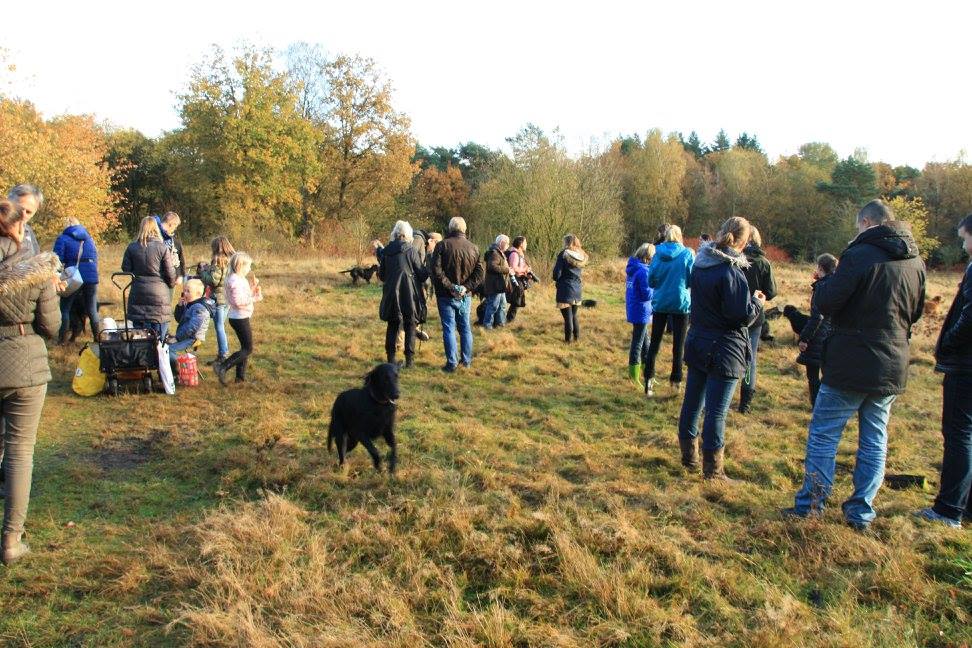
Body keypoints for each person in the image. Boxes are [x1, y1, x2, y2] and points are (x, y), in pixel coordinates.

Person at [786, 199, 925, 530]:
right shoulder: (916, 260)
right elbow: (916, 311)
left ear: (865, 222)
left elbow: (826, 301)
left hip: (850, 360)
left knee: (824, 434)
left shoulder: (859, 255)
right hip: (892, 361)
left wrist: (822, 284)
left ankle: (811, 505)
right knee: (875, 438)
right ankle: (861, 511)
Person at [677, 217, 764, 479]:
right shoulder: (731, 272)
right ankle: (713, 472)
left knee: (693, 403)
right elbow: (740, 316)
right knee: (716, 411)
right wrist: (757, 303)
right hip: (724, 348)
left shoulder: (701, 264)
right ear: (744, 242)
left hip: (698, 340)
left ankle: (689, 457)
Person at [0, 199, 60, 565]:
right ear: (18, 229)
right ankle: (11, 540)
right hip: (24, 364)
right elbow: (51, 326)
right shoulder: (37, 270)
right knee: (20, 452)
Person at [915, 214, 972, 528]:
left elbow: (970, 316)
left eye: (965, 238)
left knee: (958, 434)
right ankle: (966, 505)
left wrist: (949, 341)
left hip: (966, 366)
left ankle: (949, 509)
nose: (963, 246)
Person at [644, 224, 694, 394]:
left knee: (654, 343)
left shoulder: (657, 253)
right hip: (680, 302)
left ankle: (649, 381)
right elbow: (690, 279)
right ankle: (676, 382)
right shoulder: (687, 254)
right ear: (680, 236)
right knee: (678, 345)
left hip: (661, 301)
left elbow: (651, 280)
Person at [430, 217, 484, 373]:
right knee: (465, 328)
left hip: (445, 294)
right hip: (465, 295)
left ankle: (452, 363)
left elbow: (436, 270)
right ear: (464, 229)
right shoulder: (474, 248)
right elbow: (479, 273)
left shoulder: (442, 245)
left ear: (450, 228)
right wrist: (465, 288)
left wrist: (451, 286)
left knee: (449, 328)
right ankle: (466, 361)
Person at [377, 220, 428, 368]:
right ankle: (409, 361)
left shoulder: (386, 252)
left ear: (395, 234)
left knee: (392, 323)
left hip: (391, 293)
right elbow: (422, 274)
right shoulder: (411, 250)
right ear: (407, 235)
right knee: (410, 324)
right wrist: (429, 257)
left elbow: (382, 275)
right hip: (409, 293)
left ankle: (391, 359)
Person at [738, 226, 777, 413]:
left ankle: (722, 397)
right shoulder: (763, 263)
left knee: (729, 354)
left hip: (733, 313)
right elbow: (771, 291)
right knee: (750, 358)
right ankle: (745, 403)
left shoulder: (735, 260)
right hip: (755, 316)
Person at [121, 217, 177, 341]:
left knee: (139, 337)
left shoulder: (132, 247)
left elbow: (125, 269)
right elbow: (170, 273)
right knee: (159, 338)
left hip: (138, 293)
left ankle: (140, 353)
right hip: (159, 295)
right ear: (156, 228)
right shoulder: (162, 248)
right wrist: (171, 284)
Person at [796, 254, 838, 407]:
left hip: (818, 336)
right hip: (834, 335)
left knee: (813, 376)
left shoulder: (821, 287)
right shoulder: (839, 286)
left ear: (820, 268)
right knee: (829, 377)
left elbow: (816, 317)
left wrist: (804, 338)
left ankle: (817, 406)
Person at [215, 252, 262, 386]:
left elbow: (243, 295)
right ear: (241, 266)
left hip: (239, 316)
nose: (249, 269)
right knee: (248, 349)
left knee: (244, 348)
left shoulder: (239, 279)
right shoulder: (235, 281)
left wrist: (253, 288)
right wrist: (254, 298)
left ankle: (240, 379)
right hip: (239, 318)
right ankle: (222, 367)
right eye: (248, 266)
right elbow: (237, 301)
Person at [52, 217, 100, 343]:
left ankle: (62, 340)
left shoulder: (63, 238)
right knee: (92, 309)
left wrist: (56, 275)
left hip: (74, 277)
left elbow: (56, 259)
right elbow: (95, 257)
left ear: (66, 226)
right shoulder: (89, 238)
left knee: (65, 308)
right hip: (91, 276)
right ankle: (97, 338)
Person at [200, 236, 236, 364]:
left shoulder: (218, 260)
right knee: (221, 326)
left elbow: (213, 281)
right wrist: (209, 269)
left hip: (219, 298)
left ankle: (223, 354)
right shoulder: (233, 260)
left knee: (219, 326)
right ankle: (222, 353)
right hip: (227, 297)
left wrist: (202, 271)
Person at [625, 243, 655, 392]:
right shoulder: (643, 271)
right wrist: (657, 287)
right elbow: (646, 294)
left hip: (636, 309)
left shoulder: (633, 268)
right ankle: (634, 377)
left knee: (645, 342)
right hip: (642, 310)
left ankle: (647, 373)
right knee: (638, 343)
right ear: (648, 257)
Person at [167, 279, 215, 363]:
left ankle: (181, 368)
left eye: (188, 291)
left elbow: (192, 328)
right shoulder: (190, 304)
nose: (184, 293)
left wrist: (177, 338)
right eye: (184, 290)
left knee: (169, 350)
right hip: (186, 335)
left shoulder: (199, 308)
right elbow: (179, 319)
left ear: (198, 294)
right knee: (165, 347)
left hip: (192, 338)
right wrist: (180, 306)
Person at [552, 234, 588, 344]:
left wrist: (556, 278)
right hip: (577, 288)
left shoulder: (564, 254)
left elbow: (556, 274)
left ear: (567, 242)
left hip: (565, 288)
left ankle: (568, 341)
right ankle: (576, 339)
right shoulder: (581, 255)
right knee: (573, 315)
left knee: (568, 317)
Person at [482, 234, 512, 329]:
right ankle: (487, 325)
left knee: (502, 305)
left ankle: (500, 324)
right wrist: (507, 270)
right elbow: (492, 266)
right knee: (493, 305)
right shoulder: (494, 253)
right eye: (507, 243)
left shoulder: (499, 252)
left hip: (500, 285)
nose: (508, 245)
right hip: (495, 285)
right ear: (501, 243)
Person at [7, 185, 43, 257]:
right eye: (19, 209)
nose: (23, 215)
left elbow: (36, 259)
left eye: (28, 212)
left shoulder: (28, 230)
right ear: (8, 202)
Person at [155, 211, 186, 286]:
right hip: (158, 280)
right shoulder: (154, 239)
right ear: (171, 224)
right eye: (175, 227)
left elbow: (180, 260)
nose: (175, 229)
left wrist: (180, 275)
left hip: (171, 280)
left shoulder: (175, 242)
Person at [505, 236, 532, 322]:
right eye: (525, 242)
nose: (526, 244)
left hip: (518, 279)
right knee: (515, 301)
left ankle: (509, 319)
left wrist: (526, 272)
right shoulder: (514, 254)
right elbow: (514, 268)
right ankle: (509, 319)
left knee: (516, 301)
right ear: (520, 244)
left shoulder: (520, 254)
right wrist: (525, 270)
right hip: (514, 279)